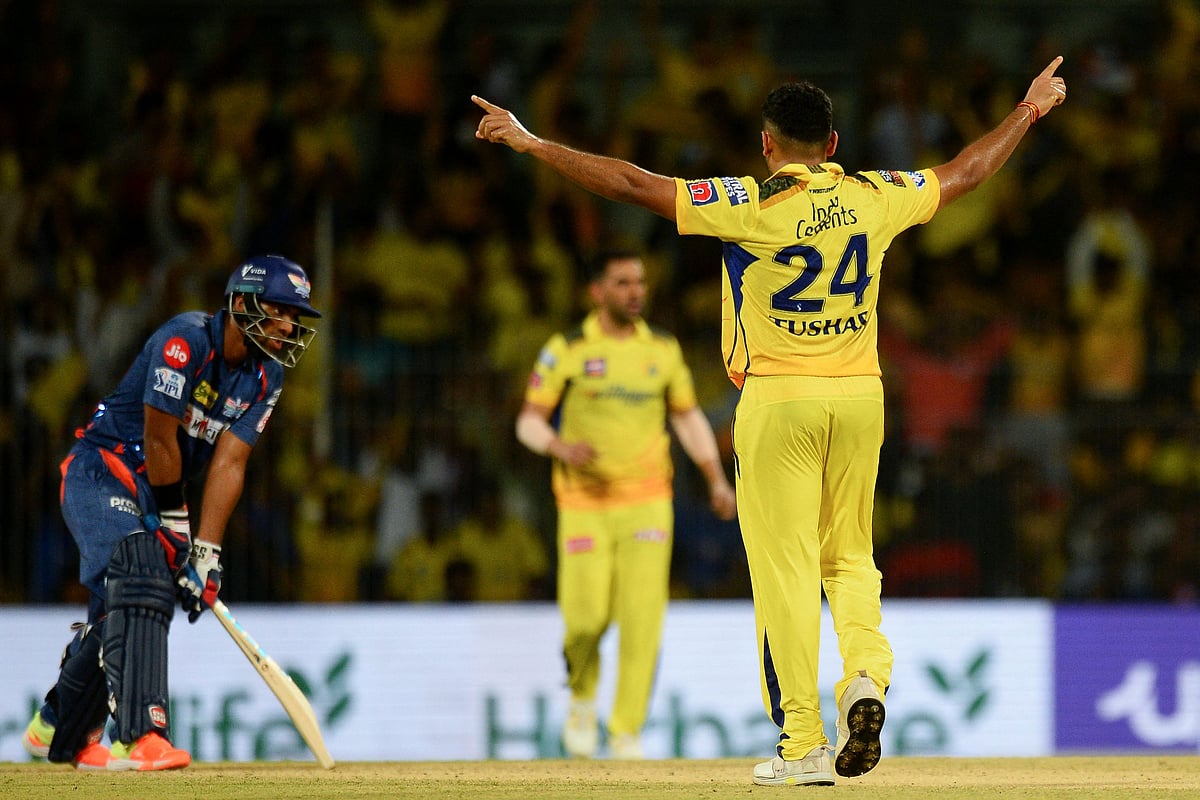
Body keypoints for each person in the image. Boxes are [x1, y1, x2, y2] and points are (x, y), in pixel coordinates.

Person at [474, 57, 1066, 784]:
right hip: (860, 396)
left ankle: (803, 746)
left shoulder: (747, 201)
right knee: (849, 555)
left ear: (767, 144)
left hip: (779, 399)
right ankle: (866, 680)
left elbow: (631, 182)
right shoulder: (876, 195)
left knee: (785, 575)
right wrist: (1029, 109)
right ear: (835, 142)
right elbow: (967, 172)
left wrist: (534, 145)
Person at [22, 254, 321, 771]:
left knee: (123, 608)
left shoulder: (266, 376)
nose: (288, 326)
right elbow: (159, 439)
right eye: (278, 311)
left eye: (294, 317)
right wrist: (176, 524)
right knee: (144, 571)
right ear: (241, 302)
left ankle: (56, 727)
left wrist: (206, 552)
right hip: (103, 470)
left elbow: (230, 462)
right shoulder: (184, 341)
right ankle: (139, 734)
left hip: (157, 492)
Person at [514, 249, 737, 760]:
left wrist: (715, 478)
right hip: (584, 502)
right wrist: (557, 445)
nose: (636, 291)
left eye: (639, 281)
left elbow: (686, 419)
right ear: (597, 291)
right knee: (586, 618)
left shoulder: (661, 348)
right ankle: (581, 699)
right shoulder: (566, 347)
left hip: (647, 502)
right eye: (622, 283)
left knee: (642, 620)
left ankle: (626, 732)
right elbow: (528, 421)